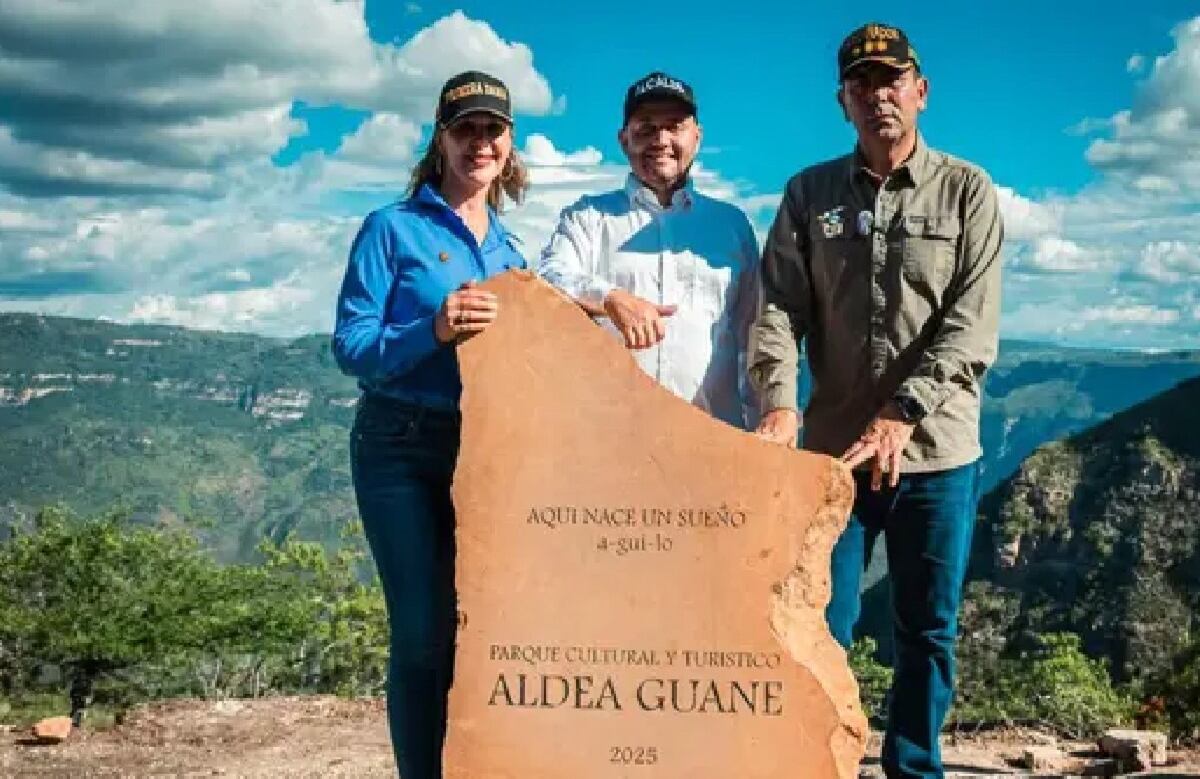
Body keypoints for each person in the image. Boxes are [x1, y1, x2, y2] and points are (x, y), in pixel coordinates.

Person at [749, 23, 1003, 778]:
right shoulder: (809, 194)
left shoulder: (967, 191)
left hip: (939, 452)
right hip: (835, 453)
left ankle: (914, 766)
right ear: (843, 102)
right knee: (821, 619)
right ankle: (818, 760)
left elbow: (971, 325)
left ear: (920, 91)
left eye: (891, 79)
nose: (877, 94)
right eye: (861, 83)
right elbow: (777, 307)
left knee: (927, 626)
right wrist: (778, 400)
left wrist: (905, 411)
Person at [331, 70, 528, 778]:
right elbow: (352, 347)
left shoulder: (512, 252)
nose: (480, 142)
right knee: (420, 634)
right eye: (465, 128)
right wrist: (434, 327)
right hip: (399, 446)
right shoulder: (391, 228)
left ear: (509, 145)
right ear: (439, 139)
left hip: (481, 454)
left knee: (479, 629)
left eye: (492, 130)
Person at [538, 71, 760, 430]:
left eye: (675, 125)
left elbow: (754, 335)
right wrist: (610, 297)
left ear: (698, 138)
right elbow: (549, 277)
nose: (661, 139)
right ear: (624, 140)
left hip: (715, 439)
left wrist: (763, 426)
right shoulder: (587, 217)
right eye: (646, 127)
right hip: (612, 440)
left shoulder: (732, 225)